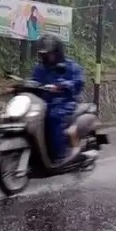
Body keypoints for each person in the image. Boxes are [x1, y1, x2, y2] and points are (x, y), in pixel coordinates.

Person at [31, 33, 85, 162]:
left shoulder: (71, 66)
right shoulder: (40, 68)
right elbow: (34, 81)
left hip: (65, 102)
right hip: (44, 103)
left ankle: (59, 155)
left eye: (48, 54)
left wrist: (63, 86)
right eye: (43, 54)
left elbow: (79, 82)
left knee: (54, 116)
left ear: (57, 52)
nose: (45, 57)